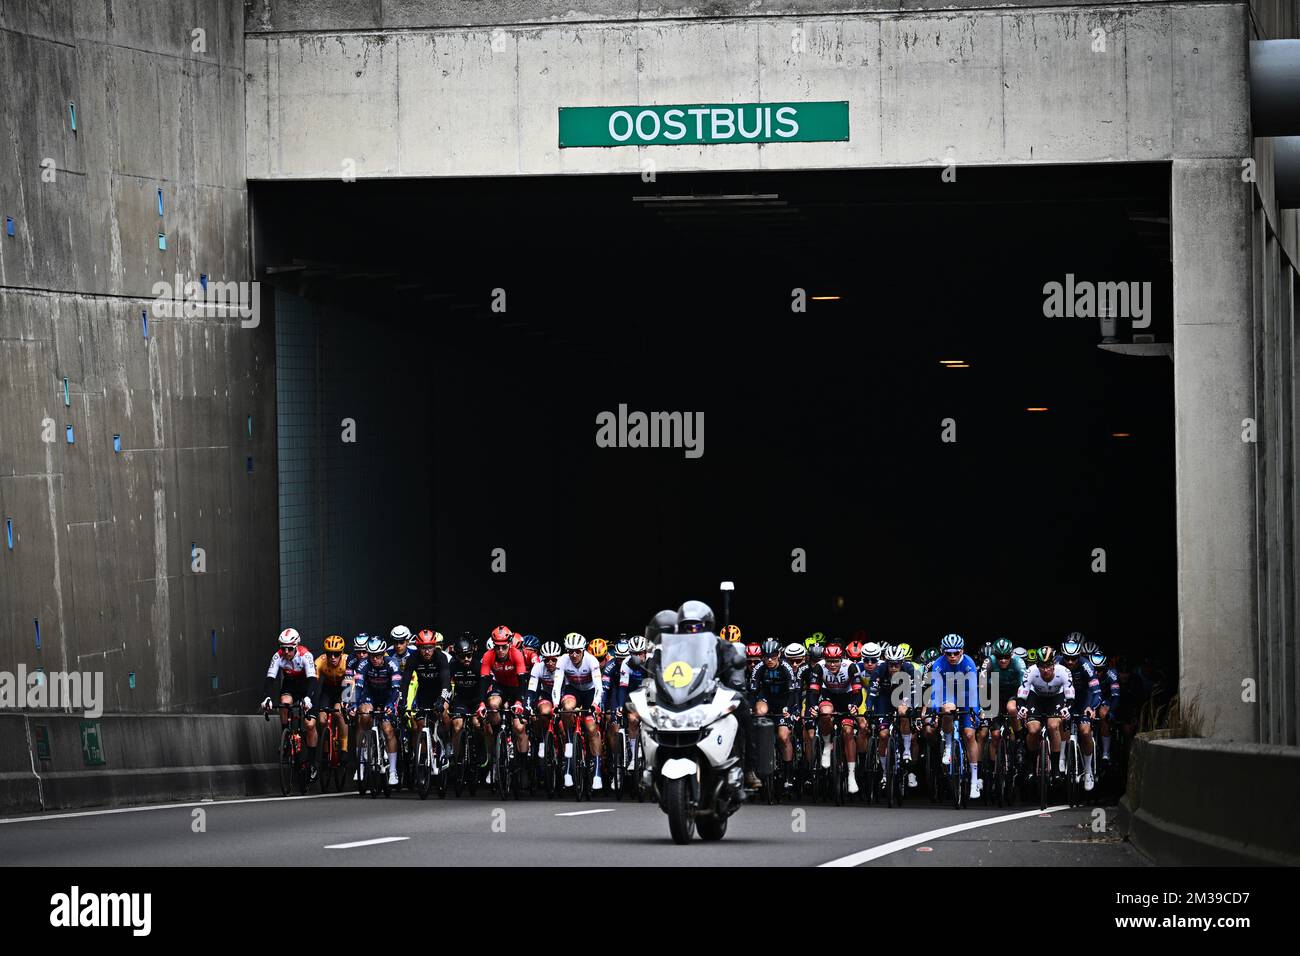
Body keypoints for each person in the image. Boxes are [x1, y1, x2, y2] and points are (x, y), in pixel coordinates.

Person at [261, 628, 320, 776]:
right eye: (283, 648)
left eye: (289, 649)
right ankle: (286, 735)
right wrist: (267, 697)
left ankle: (312, 763)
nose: (286, 652)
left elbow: (313, 680)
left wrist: (308, 698)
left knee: (310, 725)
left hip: (306, 686)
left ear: (296, 646)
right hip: (290, 684)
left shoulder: (306, 655)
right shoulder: (278, 656)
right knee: (284, 702)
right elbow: (270, 679)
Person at [351, 636, 403, 785]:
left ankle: (393, 771)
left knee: (387, 730)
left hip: (388, 696)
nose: (374, 659)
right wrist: (352, 705)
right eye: (372, 655)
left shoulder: (392, 664)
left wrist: (391, 704)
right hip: (370, 695)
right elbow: (357, 687)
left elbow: (396, 689)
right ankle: (361, 762)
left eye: (378, 656)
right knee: (364, 715)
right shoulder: (363, 665)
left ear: (384, 653)